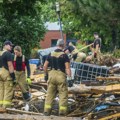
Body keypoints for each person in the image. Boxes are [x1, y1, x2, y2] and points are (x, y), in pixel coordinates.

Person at [44, 39, 71, 116]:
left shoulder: (50, 54)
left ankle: (46, 111)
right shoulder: (64, 55)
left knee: (49, 95)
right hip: (60, 76)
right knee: (63, 95)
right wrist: (70, 78)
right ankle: (62, 113)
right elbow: (67, 68)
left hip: (51, 76)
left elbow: (45, 66)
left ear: (57, 45)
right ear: (63, 46)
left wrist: (46, 76)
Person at [0, 40, 15, 108]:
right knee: (8, 90)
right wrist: (13, 76)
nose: (11, 47)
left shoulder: (0, 53)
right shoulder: (8, 53)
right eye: (10, 45)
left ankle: (0, 106)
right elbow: (10, 65)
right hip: (6, 72)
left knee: (1, 90)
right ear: (5, 45)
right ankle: (5, 107)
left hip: (0, 72)